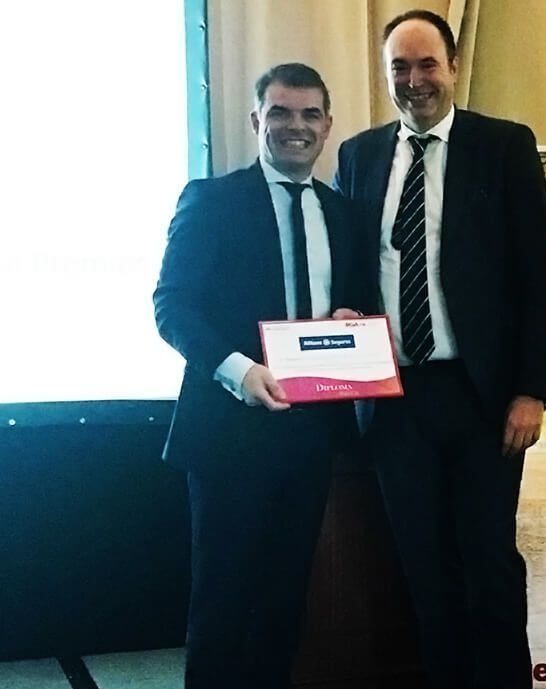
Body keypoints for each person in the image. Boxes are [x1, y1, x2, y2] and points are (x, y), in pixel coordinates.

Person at [334, 10, 546, 689]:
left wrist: (532, 388)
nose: (415, 80)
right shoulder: (358, 156)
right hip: (394, 401)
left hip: (481, 397)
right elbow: (354, 268)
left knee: (489, 564)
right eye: (400, 68)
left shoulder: (504, 147)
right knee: (423, 570)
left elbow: (540, 275)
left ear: (454, 67)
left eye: (427, 64)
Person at [154, 63, 367, 689]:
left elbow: (353, 305)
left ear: (327, 125)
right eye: (280, 113)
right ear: (256, 120)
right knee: (222, 601)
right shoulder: (211, 200)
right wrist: (240, 372)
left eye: (309, 114)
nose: (295, 126)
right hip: (228, 434)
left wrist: (351, 321)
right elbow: (172, 307)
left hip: (311, 437)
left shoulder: (343, 213)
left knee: (285, 601)